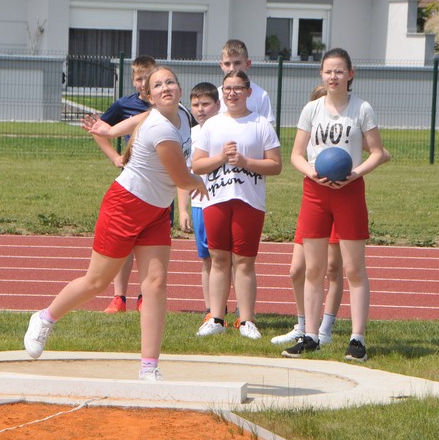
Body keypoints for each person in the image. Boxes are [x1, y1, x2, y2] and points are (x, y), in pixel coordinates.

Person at [24, 67, 209, 381]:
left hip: (155, 211)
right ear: (149, 95)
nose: (166, 87)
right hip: (125, 205)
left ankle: (149, 367)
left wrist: (109, 131)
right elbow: (181, 177)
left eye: (171, 82)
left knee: (156, 285)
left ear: (179, 89)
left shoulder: (178, 113)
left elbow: (137, 119)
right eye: (158, 85)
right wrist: (198, 182)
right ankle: (44, 317)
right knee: (97, 282)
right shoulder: (160, 129)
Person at [282, 49, 389, 361]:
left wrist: (354, 174)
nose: (333, 77)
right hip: (315, 192)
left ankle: (357, 339)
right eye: (328, 71)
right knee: (314, 268)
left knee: (354, 269)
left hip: (349, 192)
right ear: (321, 74)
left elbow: (378, 152)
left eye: (339, 71)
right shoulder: (311, 110)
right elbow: (296, 155)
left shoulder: (361, 109)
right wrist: (312, 173)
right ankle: (311, 335)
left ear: (350, 74)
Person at [191, 69, 282, 340]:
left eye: (238, 88)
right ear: (222, 92)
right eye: (228, 88)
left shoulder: (261, 124)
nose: (232, 93)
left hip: (249, 201)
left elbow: (276, 165)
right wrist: (220, 157)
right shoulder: (212, 125)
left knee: (244, 262)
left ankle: (246, 320)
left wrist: (245, 162)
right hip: (216, 199)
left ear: (248, 91)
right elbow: (197, 164)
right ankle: (216, 318)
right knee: (218, 259)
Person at [272, 85, 344, 347]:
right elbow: (297, 157)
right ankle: (303, 325)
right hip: (313, 200)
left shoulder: (341, 134)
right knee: (297, 270)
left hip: (338, 200)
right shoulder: (309, 128)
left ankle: (325, 327)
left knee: (333, 268)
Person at [94, 56, 157, 314]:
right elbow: (100, 129)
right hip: (133, 181)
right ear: (132, 80)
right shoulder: (125, 104)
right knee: (126, 243)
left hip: (158, 184)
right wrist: (115, 157)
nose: (143, 83)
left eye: (148, 77)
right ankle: (119, 297)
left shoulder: (167, 106)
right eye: (139, 78)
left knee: (150, 243)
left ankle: (146, 296)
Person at [177, 82, 221, 314]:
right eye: (195, 104)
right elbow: (184, 174)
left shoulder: (226, 130)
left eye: (205, 104)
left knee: (225, 259)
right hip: (199, 205)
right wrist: (183, 210)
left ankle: (228, 307)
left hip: (223, 202)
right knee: (206, 260)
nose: (200, 109)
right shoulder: (189, 135)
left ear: (217, 105)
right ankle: (209, 308)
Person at [218, 39, 275, 126]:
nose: (232, 68)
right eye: (227, 64)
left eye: (237, 63)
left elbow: (267, 132)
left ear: (248, 64)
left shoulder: (261, 96)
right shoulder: (216, 95)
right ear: (221, 65)